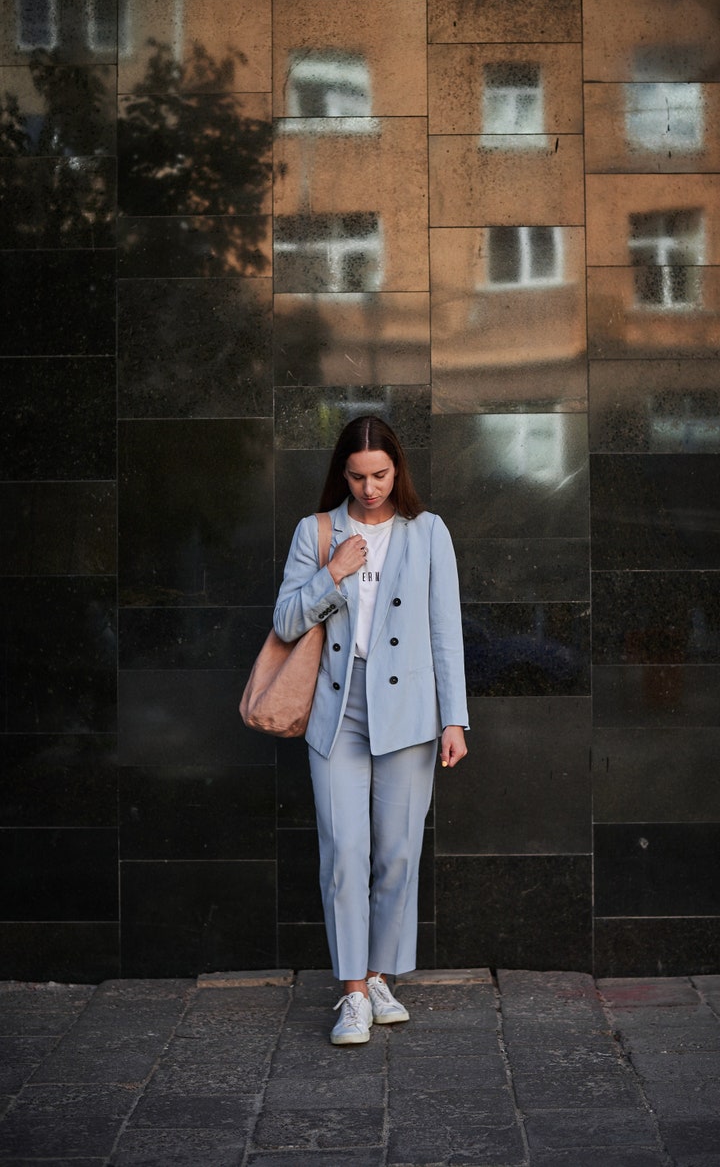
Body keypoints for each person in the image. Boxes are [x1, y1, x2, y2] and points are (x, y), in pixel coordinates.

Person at [273, 414, 469, 1045]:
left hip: (409, 711)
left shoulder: (428, 532)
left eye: (380, 474)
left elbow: (446, 633)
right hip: (338, 711)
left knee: (397, 852)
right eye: (357, 476)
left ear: (397, 469)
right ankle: (353, 993)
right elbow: (283, 622)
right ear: (343, 474)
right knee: (345, 853)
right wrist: (332, 572)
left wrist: (454, 718)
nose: (370, 488)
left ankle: (379, 975)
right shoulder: (317, 531)